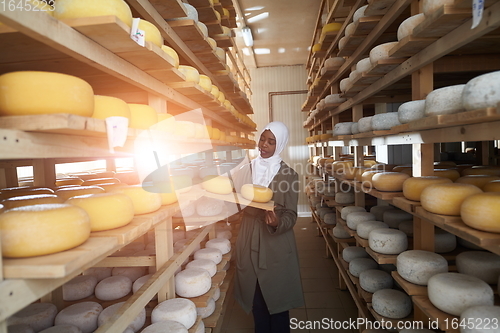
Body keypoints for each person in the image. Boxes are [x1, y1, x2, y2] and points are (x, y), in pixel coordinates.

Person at [233, 121, 304, 333]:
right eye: (262, 139)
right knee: (256, 299)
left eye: (271, 142)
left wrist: (277, 222)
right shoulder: (246, 169)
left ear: (279, 145)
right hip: (248, 236)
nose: (264, 145)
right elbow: (237, 200)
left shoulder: (289, 175)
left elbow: (291, 215)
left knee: (276, 300)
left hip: (274, 243)